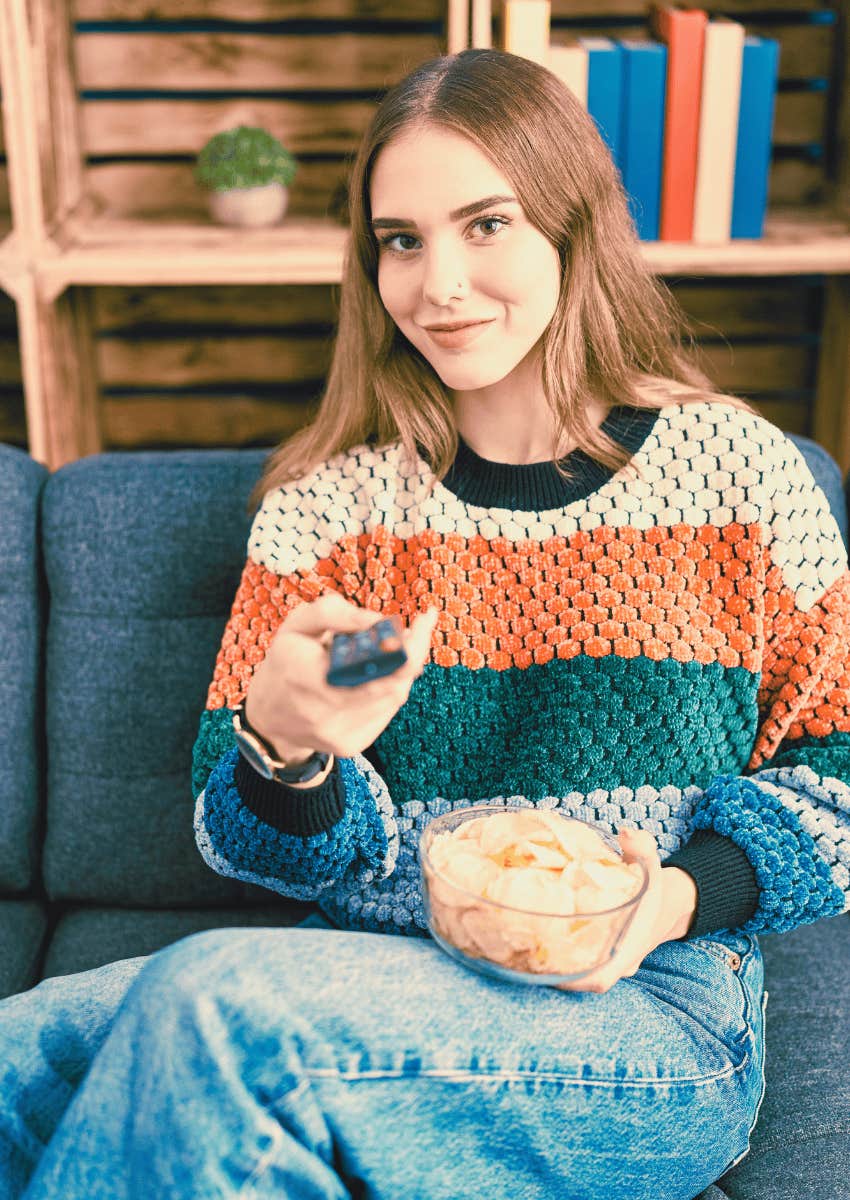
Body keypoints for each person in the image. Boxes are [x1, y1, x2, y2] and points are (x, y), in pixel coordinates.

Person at [2, 46, 849, 1200]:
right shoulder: (329, 516)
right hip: (366, 965)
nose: (438, 284)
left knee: (214, 1004)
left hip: (645, 1007)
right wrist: (288, 750)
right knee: (17, 1053)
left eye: (485, 224)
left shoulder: (740, 473)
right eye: (401, 240)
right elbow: (250, 841)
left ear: (572, 223)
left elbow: (838, 766)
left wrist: (671, 899)